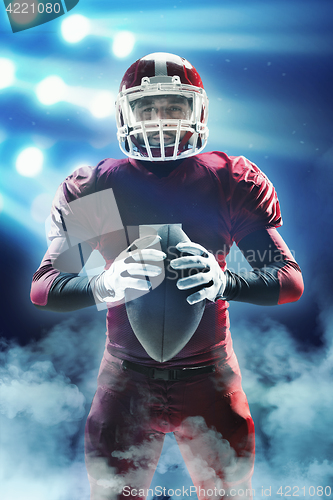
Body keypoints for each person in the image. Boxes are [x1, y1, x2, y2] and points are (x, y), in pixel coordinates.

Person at [30, 52, 304, 500]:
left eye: (174, 108)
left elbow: (289, 280)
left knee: (228, 496)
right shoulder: (101, 187)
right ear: (125, 114)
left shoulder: (228, 181)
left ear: (197, 112)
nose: (161, 120)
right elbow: (44, 288)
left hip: (209, 377)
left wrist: (225, 281)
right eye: (148, 108)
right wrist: (104, 285)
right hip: (126, 377)